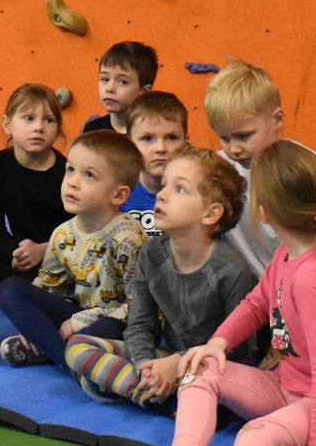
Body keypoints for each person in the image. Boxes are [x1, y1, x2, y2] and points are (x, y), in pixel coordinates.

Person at [100, 141, 316, 446]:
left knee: (257, 435)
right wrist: (217, 343)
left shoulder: (312, 278)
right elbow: (256, 304)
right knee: (199, 368)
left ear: (265, 210)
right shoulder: (286, 256)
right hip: (287, 386)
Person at [63, 148, 258, 405]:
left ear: (210, 214)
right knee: (77, 347)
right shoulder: (151, 252)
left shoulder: (232, 270)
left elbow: (241, 354)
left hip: (207, 365)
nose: (161, 195)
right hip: (164, 356)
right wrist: (146, 366)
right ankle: (164, 399)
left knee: (211, 385)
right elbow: (140, 324)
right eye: (164, 185)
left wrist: (177, 363)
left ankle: (152, 393)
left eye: (180, 189)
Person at [0, 130, 146, 369]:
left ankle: (58, 354)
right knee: (9, 289)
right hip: (79, 314)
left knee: (99, 330)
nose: (72, 182)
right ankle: (72, 362)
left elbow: (142, 309)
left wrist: (79, 321)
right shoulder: (62, 234)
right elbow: (48, 287)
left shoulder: (128, 238)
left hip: (118, 323)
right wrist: (29, 323)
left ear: (118, 195)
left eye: (89, 175)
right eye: (71, 170)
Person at [203, 60, 316, 277]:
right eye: (224, 138)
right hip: (249, 287)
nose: (234, 149)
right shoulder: (218, 169)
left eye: (244, 136)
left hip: (298, 282)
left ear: (277, 119)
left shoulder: (310, 167)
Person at [0, 83, 67, 304]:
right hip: (21, 259)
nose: (39, 127)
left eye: (49, 120)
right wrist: (15, 253)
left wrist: (44, 250)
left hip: (63, 258)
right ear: (7, 124)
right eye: (29, 118)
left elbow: (84, 233)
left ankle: (13, 292)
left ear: (58, 128)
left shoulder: (69, 173)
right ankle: (25, 290)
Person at [122, 90, 188, 233]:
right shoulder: (118, 195)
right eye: (147, 138)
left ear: (186, 142)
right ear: (130, 144)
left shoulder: (198, 197)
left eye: (171, 138)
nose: (160, 148)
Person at [84, 40, 159, 134]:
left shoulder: (155, 132)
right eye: (105, 79)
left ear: (144, 92)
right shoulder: (92, 130)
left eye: (122, 82)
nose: (109, 89)